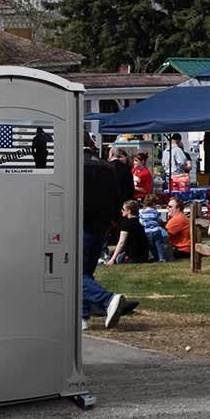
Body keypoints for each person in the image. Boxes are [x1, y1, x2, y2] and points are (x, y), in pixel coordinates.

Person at [82, 133, 132, 330]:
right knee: (85, 273)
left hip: (82, 223)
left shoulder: (75, 166)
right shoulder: (106, 166)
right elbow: (116, 199)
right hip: (101, 226)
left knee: (74, 275)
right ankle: (83, 316)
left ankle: (108, 299)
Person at [107, 200, 150, 264]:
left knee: (117, 258)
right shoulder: (140, 222)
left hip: (132, 257)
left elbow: (121, 242)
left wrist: (112, 259)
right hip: (143, 255)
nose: (122, 211)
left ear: (129, 211)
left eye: (123, 209)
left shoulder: (127, 224)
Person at [139, 194, 168, 262]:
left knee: (151, 246)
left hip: (147, 231)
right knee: (159, 245)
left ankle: (155, 258)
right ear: (154, 203)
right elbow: (159, 220)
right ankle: (162, 258)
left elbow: (141, 222)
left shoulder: (142, 212)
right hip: (156, 230)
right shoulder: (155, 211)